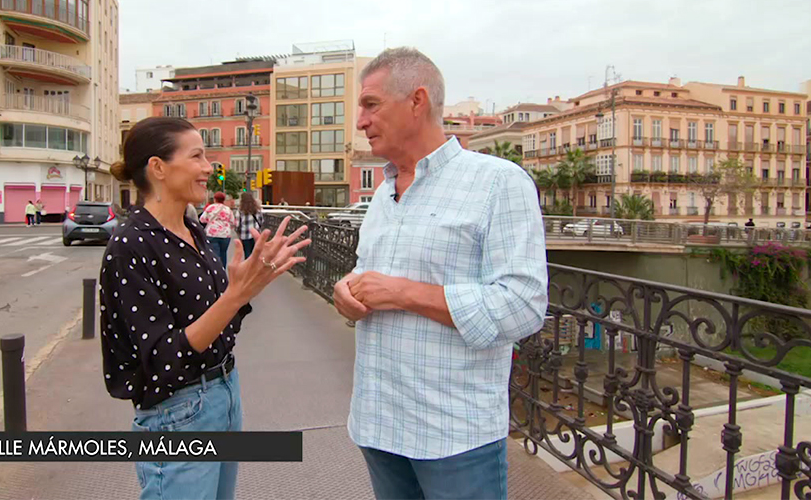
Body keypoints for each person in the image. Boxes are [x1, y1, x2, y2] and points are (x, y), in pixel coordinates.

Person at [332, 47, 548, 500]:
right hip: (378, 423)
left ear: (417, 101)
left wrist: (404, 293)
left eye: (371, 105)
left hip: (454, 437)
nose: (360, 121)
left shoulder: (499, 182)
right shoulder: (382, 193)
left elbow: (523, 306)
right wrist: (347, 291)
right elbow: (368, 275)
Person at [100, 117, 310, 500]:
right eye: (196, 156)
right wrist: (235, 296)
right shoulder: (130, 245)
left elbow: (218, 324)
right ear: (158, 168)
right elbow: (164, 358)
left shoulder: (192, 228)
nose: (208, 167)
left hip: (223, 393)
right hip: (177, 414)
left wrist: (248, 287)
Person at [200, 192, 236, 267]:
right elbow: (233, 222)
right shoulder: (227, 209)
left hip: (212, 234)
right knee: (223, 253)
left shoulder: (210, 208)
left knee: (214, 254)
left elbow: (202, 219)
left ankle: (216, 269)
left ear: (215, 199)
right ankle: (223, 269)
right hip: (225, 235)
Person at [236, 193, 264, 259]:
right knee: (256, 253)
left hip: (245, 235)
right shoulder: (257, 209)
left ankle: (249, 264)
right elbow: (261, 221)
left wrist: (238, 233)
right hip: (256, 234)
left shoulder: (240, 211)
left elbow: (237, 224)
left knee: (247, 253)